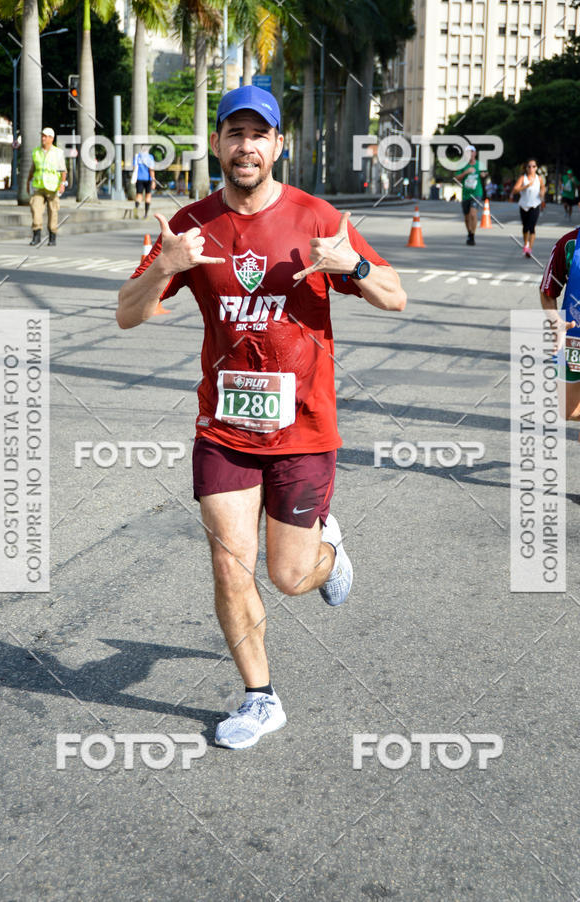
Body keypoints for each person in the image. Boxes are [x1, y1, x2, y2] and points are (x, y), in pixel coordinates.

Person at [116, 85, 406, 750]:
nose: (246, 145)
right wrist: (164, 265)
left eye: (259, 134)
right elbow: (128, 312)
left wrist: (352, 264)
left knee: (289, 575)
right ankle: (259, 697)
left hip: (303, 429)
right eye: (234, 132)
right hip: (223, 428)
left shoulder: (317, 217)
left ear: (279, 145)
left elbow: (395, 296)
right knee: (227, 563)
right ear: (217, 142)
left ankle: (326, 557)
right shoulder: (189, 226)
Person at [540, 226, 580, 421]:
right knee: (567, 411)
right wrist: (556, 322)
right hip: (573, 342)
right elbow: (547, 291)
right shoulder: (567, 244)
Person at [26, 127, 66, 247]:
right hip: (38, 187)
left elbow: (63, 171)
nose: (43, 138)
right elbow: (32, 169)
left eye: (46, 136)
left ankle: (52, 237)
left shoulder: (58, 153)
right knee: (36, 210)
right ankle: (36, 236)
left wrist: (62, 184)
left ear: (51, 138)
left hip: (52, 188)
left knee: (53, 212)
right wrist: (28, 182)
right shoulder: (36, 152)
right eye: (42, 136)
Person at [510, 159, 546, 257]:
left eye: (533, 166)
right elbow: (515, 190)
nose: (531, 168)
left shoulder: (539, 178)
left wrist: (542, 193)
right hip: (524, 205)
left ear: (536, 168)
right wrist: (525, 186)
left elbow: (543, 187)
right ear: (526, 168)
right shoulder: (523, 178)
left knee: (532, 227)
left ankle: (529, 248)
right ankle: (526, 244)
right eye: (529, 166)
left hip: (535, 205)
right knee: (525, 227)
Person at [454, 145, 485, 246]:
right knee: (467, 217)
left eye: (471, 152)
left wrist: (483, 174)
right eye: (467, 153)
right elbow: (456, 178)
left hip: (477, 193)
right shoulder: (462, 165)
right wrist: (466, 173)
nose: (470, 154)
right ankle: (469, 232)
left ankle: (472, 235)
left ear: (475, 153)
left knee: (473, 214)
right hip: (466, 194)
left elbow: (485, 173)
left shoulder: (480, 164)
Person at [132, 145, 155, 219]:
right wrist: (153, 180)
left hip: (139, 179)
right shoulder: (150, 157)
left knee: (139, 195)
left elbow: (134, 168)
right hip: (148, 179)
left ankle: (136, 209)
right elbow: (151, 170)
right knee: (148, 196)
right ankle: (146, 214)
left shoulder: (137, 157)